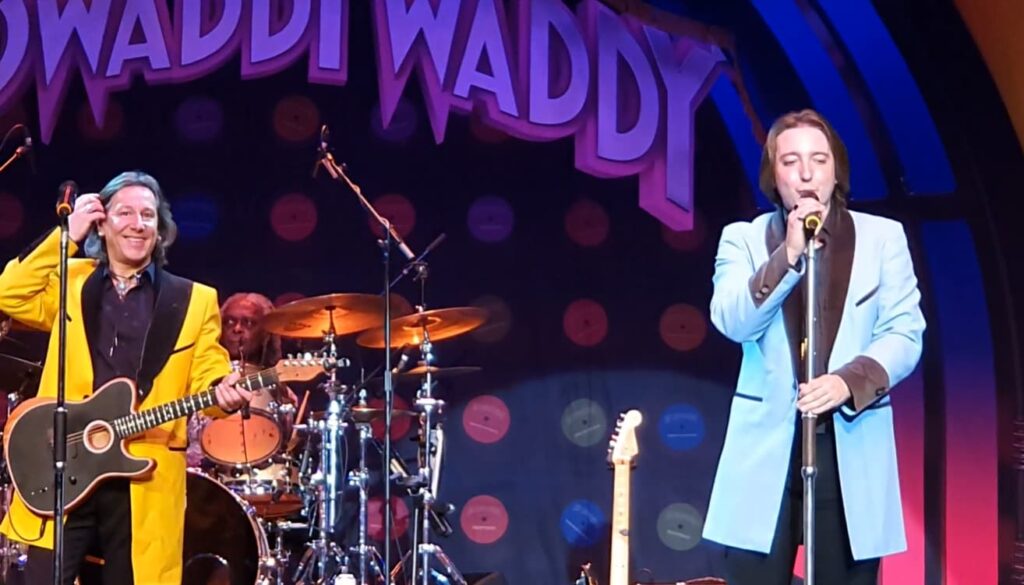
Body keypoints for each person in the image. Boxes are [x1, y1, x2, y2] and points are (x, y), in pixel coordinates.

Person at [701, 109, 926, 584]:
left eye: (819, 160)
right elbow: (732, 321)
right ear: (774, 175)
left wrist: (847, 382)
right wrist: (787, 256)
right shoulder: (743, 240)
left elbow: (905, 332)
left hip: (847, 448)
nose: (806, 174)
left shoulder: (882, 238)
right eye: (791, 161)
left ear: (836, 170)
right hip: (764, 453)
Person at [0, 171, 252, 584]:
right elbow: (8, 292)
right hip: (67, 462)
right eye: (125, 213)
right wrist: (66, 236)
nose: (138, 224)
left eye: (148, 215)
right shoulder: (71, 280)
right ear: (101, 224)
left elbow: (208, 370)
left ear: (160, 228)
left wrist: (221, 392)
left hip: (144, 473)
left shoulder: (194, 299)